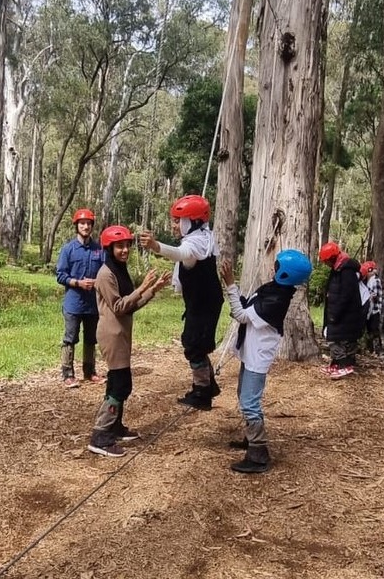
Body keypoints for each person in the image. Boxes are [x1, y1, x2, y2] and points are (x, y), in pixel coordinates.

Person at [220, 249, 312, 474]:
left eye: (278, 266)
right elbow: (246, 308)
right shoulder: (273, 290)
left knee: (250, 402)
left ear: (285, 274)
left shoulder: (277, 300)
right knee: (244, 395)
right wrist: (235, 293)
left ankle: (258, 454)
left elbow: (241, 315)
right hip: (250, 352)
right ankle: (251, 438)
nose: (274, 267)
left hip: (257, 358)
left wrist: (231, 284)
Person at [88, 225, 171, 457]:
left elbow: (131, 306)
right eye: (119, 246)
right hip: (111, 335)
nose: (124, 250)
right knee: (120, 385)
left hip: (122, 334)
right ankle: (100, 436)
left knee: (118, 382)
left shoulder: (119, 271)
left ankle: (115, 427)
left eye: (127, 245)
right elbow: (119, 306)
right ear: (109, 248)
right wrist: (142, 286)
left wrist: (152, 289)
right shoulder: (105, 274)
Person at [140, 194, 223, 411]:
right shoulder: (204, 237)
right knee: (195, 342)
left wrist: (156, 246)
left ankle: (202, 392)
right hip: (203, 301)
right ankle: (208, 385)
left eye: (179, 221)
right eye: (174, 220)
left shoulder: (195, 244)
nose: (174, 225)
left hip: (204, 303)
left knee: (194, 345)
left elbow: (180, 253)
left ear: (193, 222)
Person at [56, 208, 104, 389]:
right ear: (76, 226)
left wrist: (97, 281)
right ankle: (68, 374)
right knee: (70, 338)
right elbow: (60, 275)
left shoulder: (99, 249)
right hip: (73, 303)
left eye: (88, 223)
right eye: (82, 223)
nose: (85, 226)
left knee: (91, 338)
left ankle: (90, 371)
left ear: (92, 226)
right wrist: (78, 283)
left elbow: (106, 272)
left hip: (93, 304)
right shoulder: (68, 249)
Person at [318, 241, 364, 379]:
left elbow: (346, 295)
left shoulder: (346, 271)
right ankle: (336, 364)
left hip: (345, 314)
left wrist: (335, 314)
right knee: (338, 338)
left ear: (332, 258)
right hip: (338, 311)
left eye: (326, 261)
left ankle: (345, 365)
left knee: (336, 340)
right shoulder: (337, 269)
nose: (326, 264)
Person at [360, 260, 383, 355]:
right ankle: (370, 348)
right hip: (369, 310)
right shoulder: (367, 281)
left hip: (375, 310)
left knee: (374, 330)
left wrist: (372, 296)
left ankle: (378, 349)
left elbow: (377, 295)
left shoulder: (376, 280)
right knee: (369, 329)